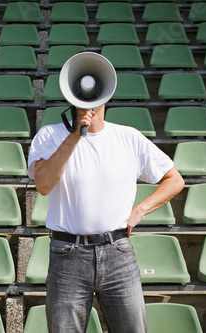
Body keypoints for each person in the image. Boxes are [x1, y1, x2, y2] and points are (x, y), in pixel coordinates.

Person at [27, 104, 185, 333]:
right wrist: (74, 135)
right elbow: (43, 185)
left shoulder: (128, 136)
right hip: (68, 253)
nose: (87, 98)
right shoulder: (50, 134)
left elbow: (174, 180)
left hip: (117, 253)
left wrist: (139, 210)